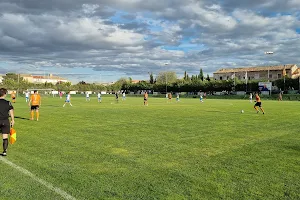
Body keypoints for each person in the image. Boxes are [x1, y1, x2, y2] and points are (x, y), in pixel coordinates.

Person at [0, 88, 15, 156]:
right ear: (5, 94)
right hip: (5, 121)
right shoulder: (8, 102)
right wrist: (12, 120)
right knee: (5, 136)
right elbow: (11, 111)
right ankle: (4, 151)